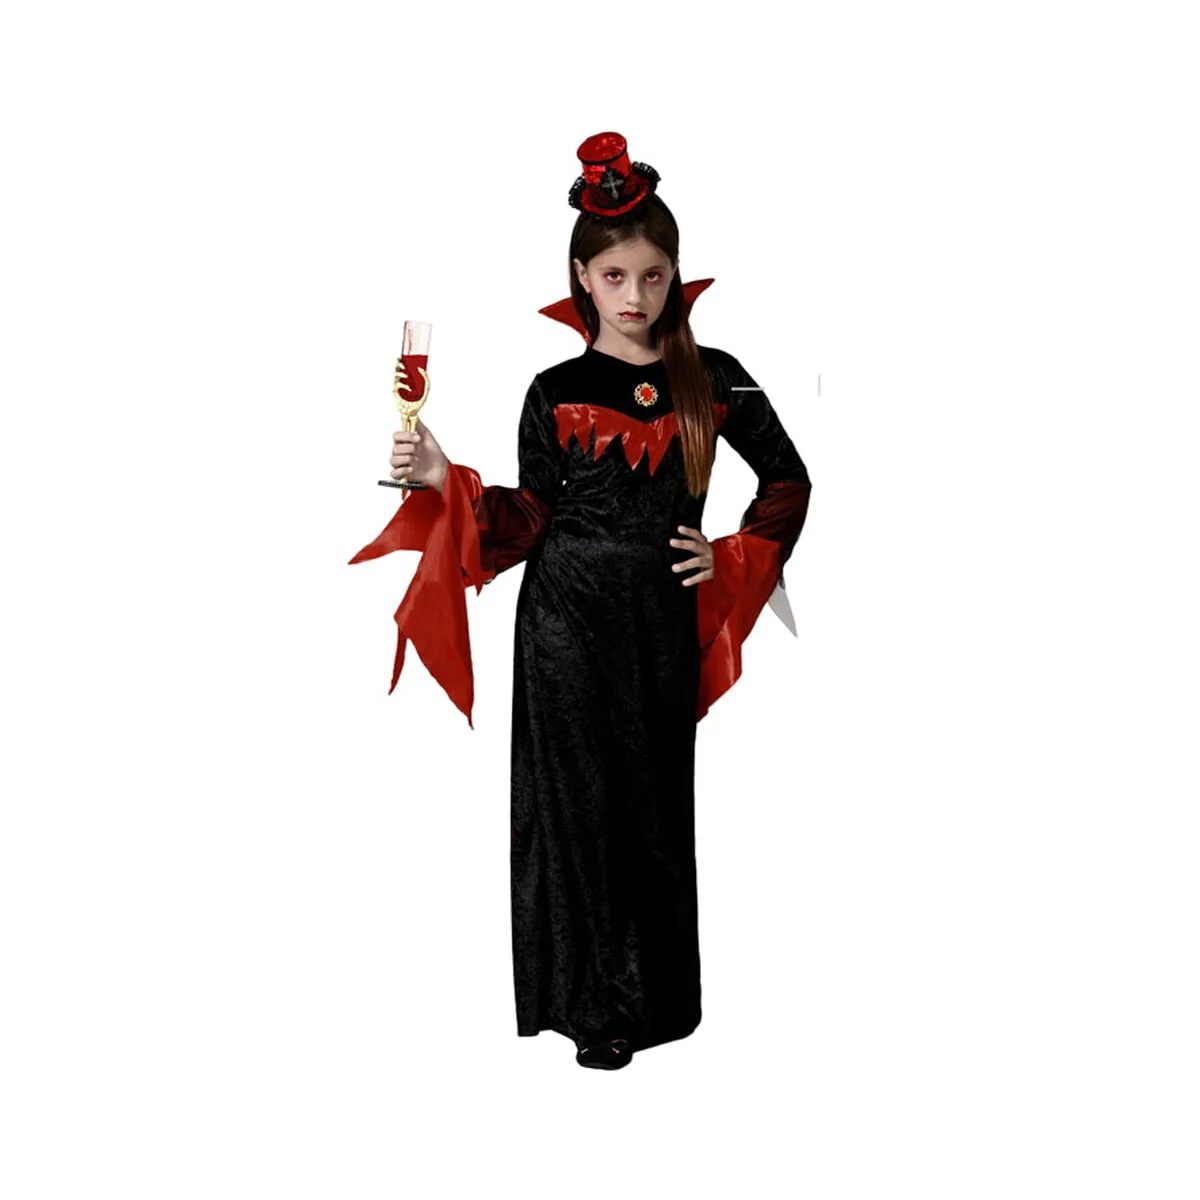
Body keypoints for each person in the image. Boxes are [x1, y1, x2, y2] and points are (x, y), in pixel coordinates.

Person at [349, 132, 813, 1070]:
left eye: (652, 275)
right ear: (582, 280)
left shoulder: (715, 377)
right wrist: (444, 477)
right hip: (562, 623)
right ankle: (592, 1010)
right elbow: (529, 517)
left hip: (657, 624)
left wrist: (727, 556)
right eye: (614, 276)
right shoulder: (553, 390)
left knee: (653, 804)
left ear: (674, 274)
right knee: (577, 809)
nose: (635, 295)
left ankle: (657, 1002)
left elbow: (790, 480)